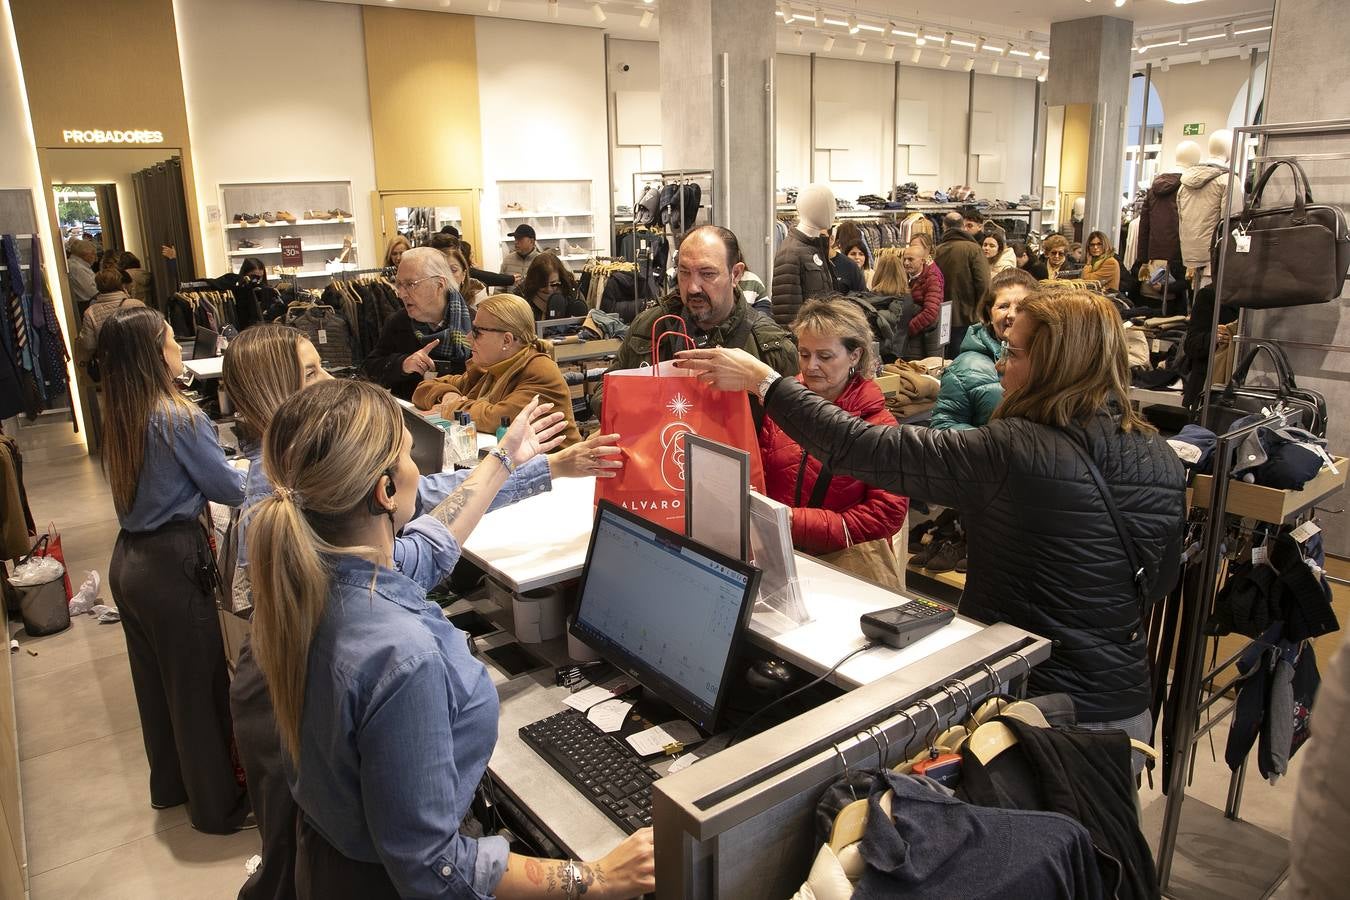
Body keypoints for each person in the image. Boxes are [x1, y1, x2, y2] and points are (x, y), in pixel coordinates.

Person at [676, 290, 1186, 745]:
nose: (1002, 366)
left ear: (1055, 363)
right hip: (1122, 706)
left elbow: (862, 449)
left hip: (1031, 707)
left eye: (1014, 352)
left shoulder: (1013, 451)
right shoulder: (1159, 455)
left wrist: (765, 381)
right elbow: (1159, 581)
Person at [221, 326, 619, 900]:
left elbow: (430, 543)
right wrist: (593, 879)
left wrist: (506, 461)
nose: (419, 469)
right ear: (385, 491)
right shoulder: (401, 656)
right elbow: (436, 868)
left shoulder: (313, 574)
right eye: (408, 456)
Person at [97, 306, 251, 834]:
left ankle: (171, 787)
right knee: (198, 688)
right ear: (154, 353)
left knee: (156, 685)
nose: (178, 349)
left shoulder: (120, 410)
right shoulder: (178, 416)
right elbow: (229, 490)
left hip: (128, 562)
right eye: (170, 340)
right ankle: (218, 808)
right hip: (172, 562)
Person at [760, 299, 907, 581]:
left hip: (844, 571)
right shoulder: (781, 410)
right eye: (804, 354)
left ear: (855, 355)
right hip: (781, 558)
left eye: (825, 357)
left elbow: (886, 513)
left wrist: (796, 523)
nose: (811, 366)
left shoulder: (878, 425)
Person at [596, 225, 798, 414]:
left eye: (707, 274)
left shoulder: (771, 347)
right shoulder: (649, 326)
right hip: (663, 447)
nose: (693, 287)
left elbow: (795, 430)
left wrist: (756, 382)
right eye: (684, 273)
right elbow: (603, 396)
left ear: (735, 274)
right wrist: (646, 400)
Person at [412, 293, 583, 446]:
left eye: (477, 331)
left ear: (507, 340)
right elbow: (423, 390)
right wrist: (449, 395)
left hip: (558, 476)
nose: (468, 338)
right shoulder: (489, 368)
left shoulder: (540, 371)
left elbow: (496, 419)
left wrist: (450, 407)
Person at [930, 268, 1038, 431]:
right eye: (1003, 306)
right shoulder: (965, 368)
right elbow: (944, 425)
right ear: (989, 312)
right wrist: (993, 441)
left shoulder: (1046, 358)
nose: (1012, 314)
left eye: (1022, 306)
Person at [362, 246, 473, 400]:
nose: (401, 294)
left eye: (410, 284)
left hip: (463, 415)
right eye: (399, 284)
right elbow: (370, 370)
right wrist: (403, 364)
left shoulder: (475, 323)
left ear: (440, 284)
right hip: (413, 417)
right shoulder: (397, 323)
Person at [933, 212, 990, 359]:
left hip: (942, 315)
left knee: (944, 360)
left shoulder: (938, 251)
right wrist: (982, 311)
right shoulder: (974, 249)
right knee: (964, 359)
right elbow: (984, 283)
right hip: (968, 315)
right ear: (962, 227)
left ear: (944, 227)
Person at [871, 247, 941, 362]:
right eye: (905, 259)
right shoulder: (908, 298)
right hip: (909, 352)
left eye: (910, 259)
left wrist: (907, 330)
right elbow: (932, 318)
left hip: (882, 353)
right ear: (900, 272)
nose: (906, 263)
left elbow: (930, 313)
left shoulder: (871, 299)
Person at [78, 267, 145, 371]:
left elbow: (88, 344)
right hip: (139, 361)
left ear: (98, 286)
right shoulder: (136, 304)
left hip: (110, 366)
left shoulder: (90, 312)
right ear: (120, 283)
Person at [519, 253, 587, 323]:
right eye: (542, 285)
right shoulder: (521, 297)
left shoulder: (574, 294)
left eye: (554, 284)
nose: (548, 289)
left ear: (561, 278)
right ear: (534, 282)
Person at [66, 238, 98, 311]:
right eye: (93, 254)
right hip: (86, 305)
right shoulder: (77, 268)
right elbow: (92, 292)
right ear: (86, 254)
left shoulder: (77, 265)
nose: (95, 257)